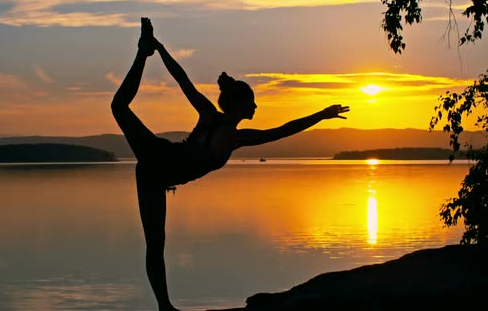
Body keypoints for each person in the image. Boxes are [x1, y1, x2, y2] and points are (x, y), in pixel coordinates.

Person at [111, 17, 350, 310]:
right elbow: (182, 80)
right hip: (158, 160)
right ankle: (142, 51)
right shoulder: (221, 126)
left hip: (155, 169)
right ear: (238, 105)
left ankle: (165, 308)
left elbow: (282, 130)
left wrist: (320, 115)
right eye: (252, 102)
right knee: (118, 107)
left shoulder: (227, 129)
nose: (256, 107)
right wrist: (159, 51)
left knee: (156, 244)